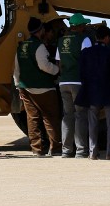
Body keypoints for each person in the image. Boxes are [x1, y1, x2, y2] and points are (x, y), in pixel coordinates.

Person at [14, 18, 62, 157]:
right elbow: (44, 65)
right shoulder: (39, 46)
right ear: (40, 30)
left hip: (25, 88)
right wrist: (57, 70)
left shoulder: (21, 46)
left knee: (32, 118)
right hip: (43, 88)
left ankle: (37, 149)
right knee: (51, 117)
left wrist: (18, 86)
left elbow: (16, 68)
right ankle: (56, 148)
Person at [78, 25, 110, 160]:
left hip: (92, 93)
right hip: (109, 92)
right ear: (106, 38)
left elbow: (82, 74)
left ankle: (92, 152)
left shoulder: (86, 52)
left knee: (92, 122)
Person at [57, 13, 93, 158]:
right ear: (78, 26)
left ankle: (66, 150)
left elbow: (58, 63)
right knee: (80, 115)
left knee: (67, 116)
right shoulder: (84, 39)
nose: (85, 27)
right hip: (77, 81)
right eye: (83, 24)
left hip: (63, 82)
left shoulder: (60, 41)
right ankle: (81, 150)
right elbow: (89, 61)